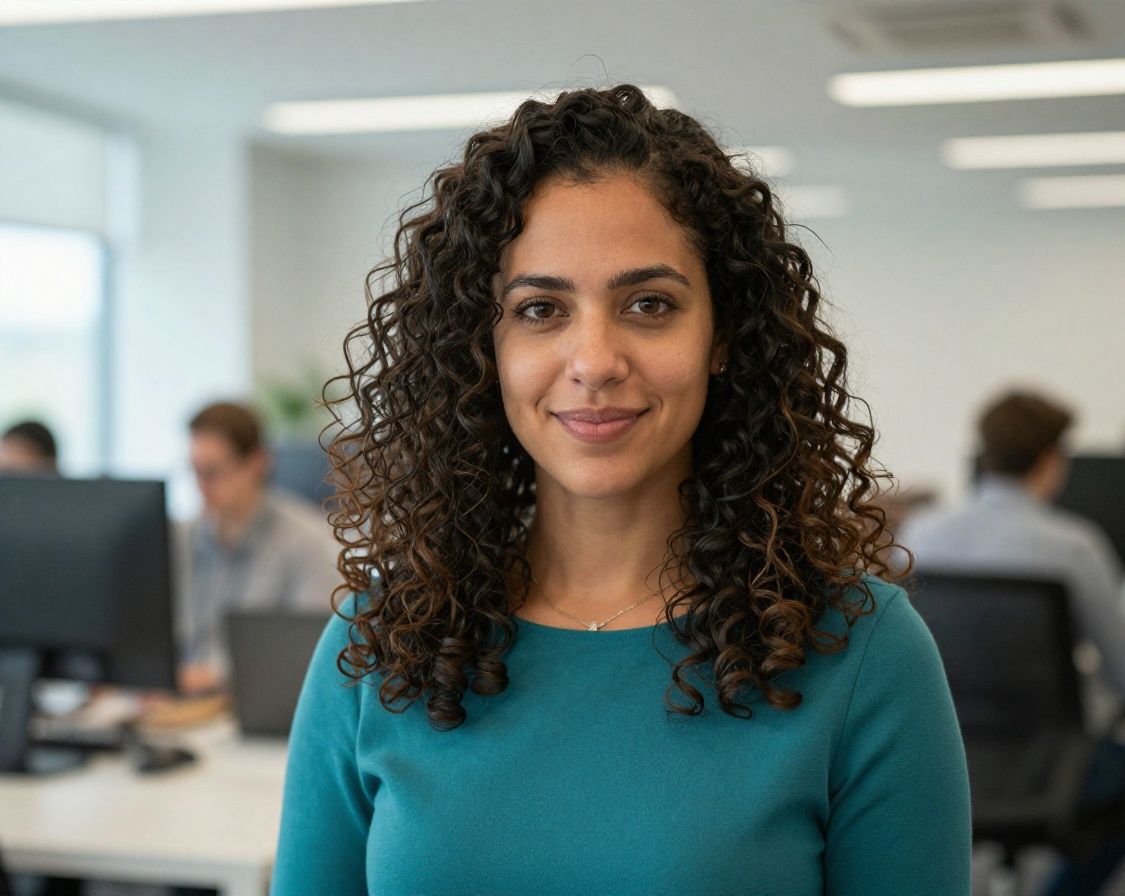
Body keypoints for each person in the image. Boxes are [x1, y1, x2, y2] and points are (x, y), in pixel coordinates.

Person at [272, 85, 971, 896]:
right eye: (540, 309)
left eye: (649, 304)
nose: (595, 360)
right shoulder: (382, 643)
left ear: (722, 336)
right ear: (481, 351)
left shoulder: (861, 654)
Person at [898, 389, 1125, 896]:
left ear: (983, 453)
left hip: (936, 753)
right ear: (1052, 461)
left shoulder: (920, 534)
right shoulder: (1074, 549)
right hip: (1048, 767)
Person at [173, 401, 338, 696]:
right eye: (195, 472)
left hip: (256, 710)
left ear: (257, 462)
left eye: (212, 473)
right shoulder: (184, 537)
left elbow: (311, 655)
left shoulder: (305, 542)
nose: (201, 487)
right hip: (180, 707)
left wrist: (211, 677)